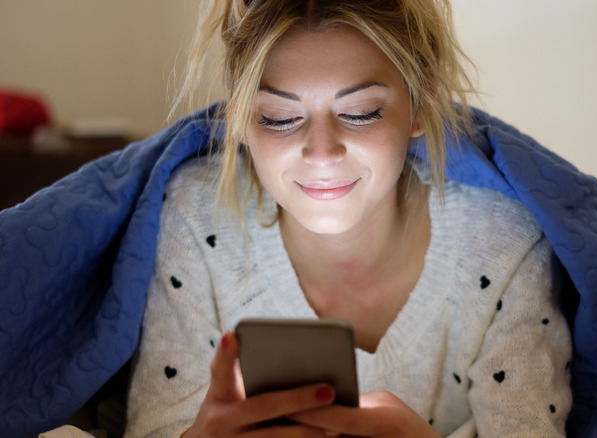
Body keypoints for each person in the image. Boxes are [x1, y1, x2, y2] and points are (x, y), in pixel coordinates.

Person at [124, 0, 572, 436]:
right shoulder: (198, 217)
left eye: (360, 113)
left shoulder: (503, 242)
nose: (322, 153)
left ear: (421, 104)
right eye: (280, 118)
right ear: (241, 117)